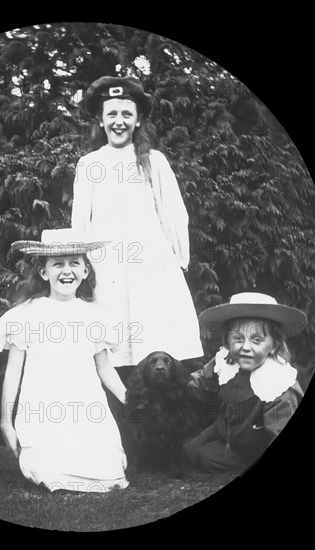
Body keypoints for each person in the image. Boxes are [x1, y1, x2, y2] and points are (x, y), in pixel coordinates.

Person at [71, 75, 203, 370]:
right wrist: (82, 265)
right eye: (112, 115)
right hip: (106, 265)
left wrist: (176, 259)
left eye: (127, 114)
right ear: (101, 120)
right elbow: (80, 219)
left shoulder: (154, 161)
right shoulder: (90, 164)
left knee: (153, 332)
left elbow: (173, 213)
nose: (119, 122)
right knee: (113, 340)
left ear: (139, 120)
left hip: (150, 264)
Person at [0, 228, 129, 493]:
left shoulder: (93, 315)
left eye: (74, 263)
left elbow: (105, 368)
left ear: (86, 270)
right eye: (58, 264)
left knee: (110, 473)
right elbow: (13, 373)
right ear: (44, 272)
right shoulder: (27, 314)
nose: (67, 271)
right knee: (52, 473)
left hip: (88, 409)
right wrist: (6, 422)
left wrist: (130, 398)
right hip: (42, 412)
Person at [184, 292, 307, 473]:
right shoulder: (226, 362)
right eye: (238, 338)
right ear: (228, 340)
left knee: (205, 457)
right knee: (188, 453)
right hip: (224, 430)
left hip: (255, 446)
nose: (246, 347)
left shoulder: (279, 386)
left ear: (274, 345)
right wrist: (172, 383)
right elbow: (198, 383)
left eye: (257, 340)